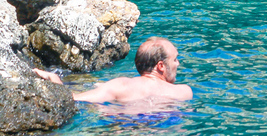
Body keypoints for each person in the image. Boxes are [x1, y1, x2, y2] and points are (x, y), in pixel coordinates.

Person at [34, 37, 192, 103]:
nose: (178, 64)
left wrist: (55, 79)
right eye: (175, 59)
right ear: (161, 66)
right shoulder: (184, 92)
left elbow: (72, 99)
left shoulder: (120, 86)